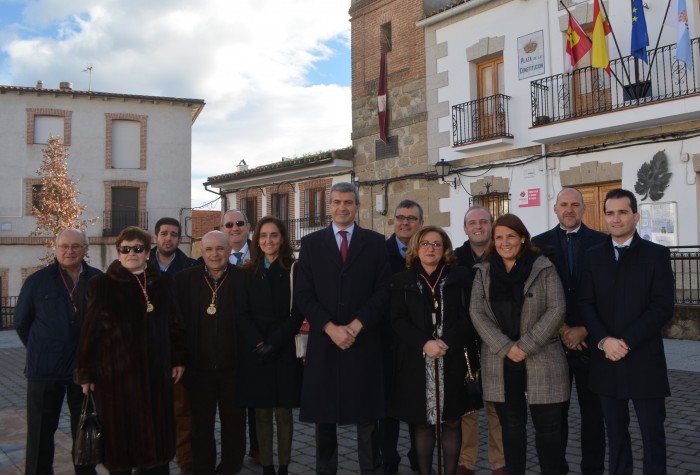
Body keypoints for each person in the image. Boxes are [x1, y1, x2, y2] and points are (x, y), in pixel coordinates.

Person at [295, 182, 391, 475]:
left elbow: (384, 290)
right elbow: (303, 294)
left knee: (367, 420)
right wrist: (330, 328)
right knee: (325, 420)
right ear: (329, 207)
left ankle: (371, 470)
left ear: (357, 206)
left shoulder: (376, 243)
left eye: (348, 202)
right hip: (326, 343)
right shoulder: (311, 245)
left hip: (363, 341)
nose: (342, 207)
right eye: (336, 202)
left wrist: (356, 325)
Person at [74, 226, 186, 474]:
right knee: (120, 453)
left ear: (148, 252)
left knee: (156, 454)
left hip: (155, 378)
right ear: (118, 252)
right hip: (114, 381)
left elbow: (175, 324)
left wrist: (178, 358)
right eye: (125, 249)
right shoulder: (101, 285)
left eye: (138, 248)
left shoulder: (164, 283)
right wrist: (86, 374)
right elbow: (88, 333)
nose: (131, 253)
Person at [579, 188, 674, 475]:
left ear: (635, 216)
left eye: (622, 212)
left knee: (652, 436)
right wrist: (605, 341)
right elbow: (585, 304)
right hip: (607, 362)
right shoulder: (593, 256)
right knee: (616, 437)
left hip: (644, 360)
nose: (616, 219)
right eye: (610, 213)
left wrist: (626, 341)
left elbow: (662, 308)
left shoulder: (656, 255)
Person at [470, 213, 569, 475]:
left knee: (548, 433)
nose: (505, 242)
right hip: (500, 361)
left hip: (543, 359)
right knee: (511, 431)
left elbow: (557, 308)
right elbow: (477, 313)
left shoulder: (543, 266)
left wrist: (525, 345)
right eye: (499, 237)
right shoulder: (483, 271)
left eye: (511, 236)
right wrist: (506, 347)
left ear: (522, 237)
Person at [389, 225, 482, 475]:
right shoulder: (401, 280)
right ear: (416, 248)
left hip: (453, 359)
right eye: (425, 244)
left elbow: (470, 315)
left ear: (445, 249)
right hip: (416, 362)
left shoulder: (461, 277)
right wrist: (425, 343)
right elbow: (397, 320)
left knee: (452, 421)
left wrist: (447, 341)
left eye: (437, 244)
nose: (431, 249)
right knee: (423, 424)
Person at [532, 188, 607, 475]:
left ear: (584, 209)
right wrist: (564, 328)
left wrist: (586, 329)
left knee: (593, 415)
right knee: (555, 417)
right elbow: (536, 296)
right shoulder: (538, 245)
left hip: (592, 342)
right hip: (554, 343)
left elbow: (608, 294)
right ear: (555, 208)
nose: (569, 209)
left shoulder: (601, 242)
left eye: (575, 205)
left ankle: (593, 469)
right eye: (564, 204)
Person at [15, 229, 102, 475]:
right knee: (40, 432)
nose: (70, 251)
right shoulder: (37, 281)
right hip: (44, 370)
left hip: (84, 371)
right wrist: (42, 349)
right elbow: (22, 323)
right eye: (64, 246)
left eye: (76, 246)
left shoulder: (98, 280)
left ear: (86, 249)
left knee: (84, 430)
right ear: (55, 248)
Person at [236, 217, 304, 475]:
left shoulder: (295, 270)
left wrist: (274, 343)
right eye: (263, 235)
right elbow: (241, 313)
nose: (268, 240)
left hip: (284, 348)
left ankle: (284, 467)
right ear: (257, 240)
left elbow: (297, 313)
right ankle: (267, 467)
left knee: (283, 412)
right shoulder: (246, 272)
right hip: (256, 351)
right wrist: (258, 342)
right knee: (261, 413)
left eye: (274, 235)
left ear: (282, 238)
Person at [175, 231, 246, 475]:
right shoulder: (184, 280)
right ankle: (203, 468)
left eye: (220, 249)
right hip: (198, 368)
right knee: (200, 426)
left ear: (229, 251)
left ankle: (230, 467)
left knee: (234, 425)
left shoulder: (243, 278)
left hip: (234, 367)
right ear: (201, 252)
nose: (214, 254)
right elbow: (176, 324)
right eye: (209, 249)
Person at [453, 206, 506, 475]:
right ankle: (466, 462)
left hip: (497, 341)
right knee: (468, 407)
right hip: (465, 343)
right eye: (472, 222)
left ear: (491, 226)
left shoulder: (504, 255)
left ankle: (499, 463)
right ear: (465, 228)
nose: (478, 226)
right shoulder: (453, 259)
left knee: (497, 406)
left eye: (483, 222)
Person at [150, 217, 198, 475]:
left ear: (179, 238)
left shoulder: (191, 268)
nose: (168, 238)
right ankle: (152, 464)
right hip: (147, 355)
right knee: (151, 415)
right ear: (155, 237)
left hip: (179, 353)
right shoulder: (138, 265)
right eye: (164, 233)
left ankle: (186, 464)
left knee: (181, 414)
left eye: (174, 234)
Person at [383, 200, 424, 474]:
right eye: (400, 217)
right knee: (386, 407)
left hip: (418, 342)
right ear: (393, 221)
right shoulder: (378, 253)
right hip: (385, 341)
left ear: (421, 222)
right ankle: (388, 460)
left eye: (411, 218)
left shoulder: (429, 252)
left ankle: (418, 458)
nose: (405, 222)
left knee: (416, 405)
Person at [221, 209, 259, 463]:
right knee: (230, 404)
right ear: (222, 228)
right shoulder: (214, 255)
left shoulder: (260, 256)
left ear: (248, 226)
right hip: (224, 340)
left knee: (256, 400)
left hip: (254, 338)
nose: (235, 228)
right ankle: (231, 452)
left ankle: (257, 447)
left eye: (239, 223)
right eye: (229, 224)